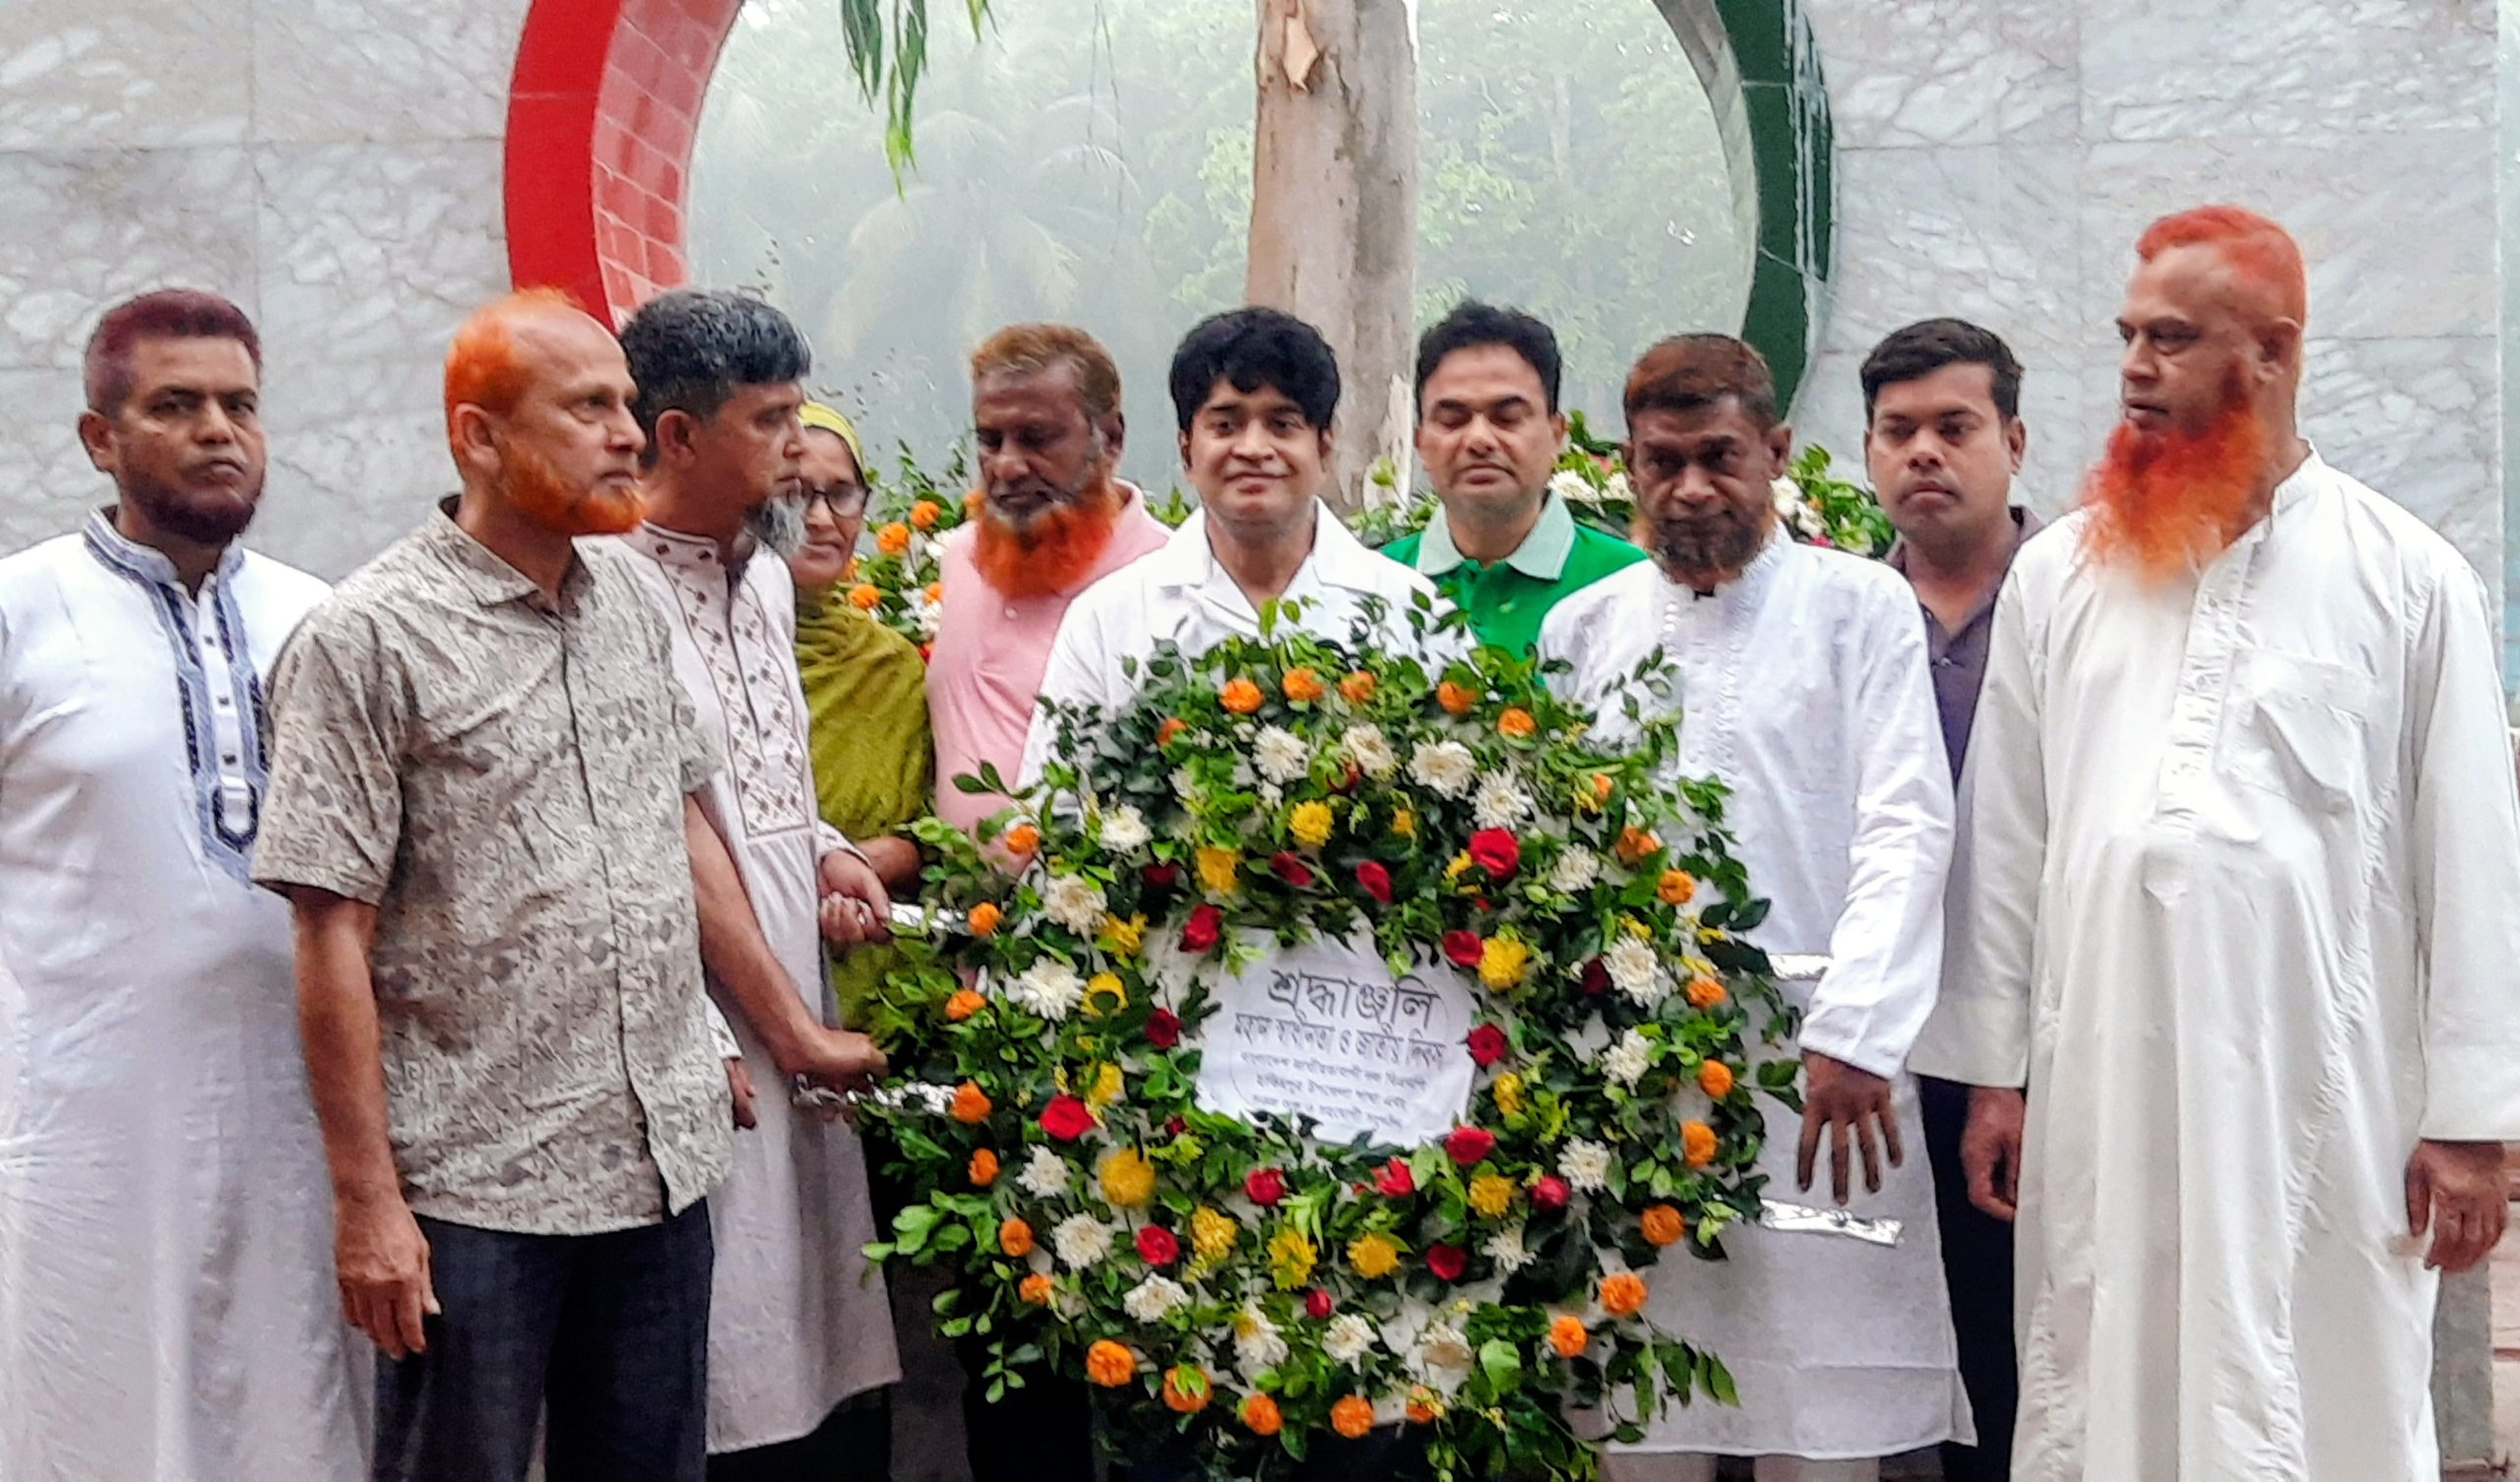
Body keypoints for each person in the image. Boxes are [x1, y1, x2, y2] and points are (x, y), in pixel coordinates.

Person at [1915, 205, 2520, 1481]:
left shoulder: (2410, 580)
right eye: (2128, 335)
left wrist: (2472, 1120)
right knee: (2104, 1371)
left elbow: (2472, 859)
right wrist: (1992, 1075)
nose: (2134, 367)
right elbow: (2007, 838)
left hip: (2322, 1094)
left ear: (2274, 351)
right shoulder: (2061, 575)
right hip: (2099, 1084)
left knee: (2322, 1387)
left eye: (2173, 338)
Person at [254, 289, 876, 1482]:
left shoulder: (630, 598)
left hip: (658, 1167)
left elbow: (675, 822)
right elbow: (329, 931)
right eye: (589, 409)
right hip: (478, 1184)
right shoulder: (368, 638)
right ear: (480, 437)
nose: (629, 436)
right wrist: (368, 1204)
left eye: (628, 407)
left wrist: (734, 1029)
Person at [1540, 335, 1964, 1482]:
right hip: (1634, 1090)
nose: (1690, 488)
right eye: (1661, 461)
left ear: (1774, 451)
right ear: (1623, 464)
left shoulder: (1859, 607)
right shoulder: (1583, 631)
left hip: (1821, 1085)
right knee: (1640, 1415)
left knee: (1822, 1422)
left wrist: (1855, 1033)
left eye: (1718, 457)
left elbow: (1906, 825)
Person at [0, 290, 364, 1479]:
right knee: (98, 1412)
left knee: (295, 1407)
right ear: (98, 439)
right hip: (86, 1127)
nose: (218, 430)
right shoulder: (21, 611)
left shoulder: (321, 619)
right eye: (176, 405)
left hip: (298, 1123)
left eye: (240, 405)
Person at [600, 289, 902, 1481]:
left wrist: (824, 846)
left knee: (821, 1334)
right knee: (716, 1358)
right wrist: (748, 1026)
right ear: (678, 436)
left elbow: (756, 782)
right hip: (696, 1033)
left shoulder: (768, 577)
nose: (797, 447)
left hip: (796, 1001)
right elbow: (654, 831)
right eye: (771, 422)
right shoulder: (606, 587)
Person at [1860, 317, 2039, 1482]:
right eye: (1897, 430)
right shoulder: (1842, 610)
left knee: (2016, 1341)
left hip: (2042, 1036)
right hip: (1874, 1039)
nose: (1923, 452)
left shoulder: (2085, 599)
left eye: (1953, 427)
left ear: (2013, 442)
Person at [1025, 305, 1458, 758]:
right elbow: (1053, 795)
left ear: (1324, 448)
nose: (1253, 448)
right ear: (1187, 451)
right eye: (1226, 425)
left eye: (1282, 424)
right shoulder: (1109, 619)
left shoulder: (1412, 614)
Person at [928, 324, 1172, 833]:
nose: (1007, 466)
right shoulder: (960, 558)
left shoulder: (1166, 580)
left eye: (1036, 438)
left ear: (1111, 439)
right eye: (990, 440)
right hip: (949, 883)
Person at [1382, 300, 1645, 652]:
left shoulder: (1631, 586)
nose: (1479, 440)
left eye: (1506, 418)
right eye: (1453, 420)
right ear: (1420, 442)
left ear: (1556, 435)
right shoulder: (1371, 586)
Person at [787, 401, 933, 1027]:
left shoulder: (892, 667)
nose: (820, 519)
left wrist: (854, 867)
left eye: (841, 494)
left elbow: (930, 834)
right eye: (796, 494)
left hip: (875, 983)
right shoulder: (708, 648)